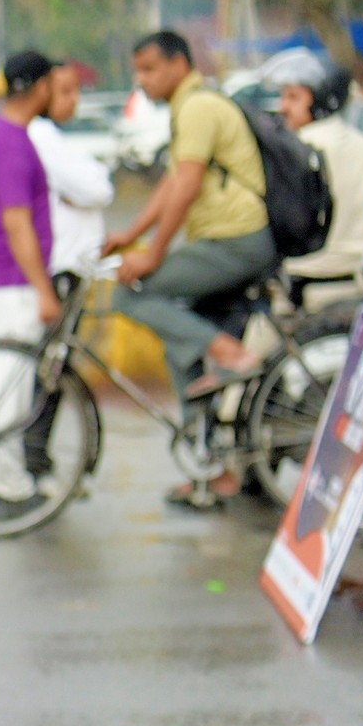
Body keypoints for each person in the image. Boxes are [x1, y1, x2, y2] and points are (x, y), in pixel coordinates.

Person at [108, 30, 279, 503]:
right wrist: (132, 234)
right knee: (181, 347)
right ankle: (214, 467)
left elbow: (186, 187)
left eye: (149, 69)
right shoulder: (189, 107)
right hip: (223, 240)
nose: (143, 80)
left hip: (238, 239)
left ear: (179, 64)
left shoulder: (198, 107)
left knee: (132, 293)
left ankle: (229, 353)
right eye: (138, 71)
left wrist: (152, 254)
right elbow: (171, 182)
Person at [0, 53, 66, 525]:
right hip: (10, 282)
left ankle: (9, 480)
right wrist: (44, 289)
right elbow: (17, 223)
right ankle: (8, 488)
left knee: (3, 382)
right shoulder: (11, 144)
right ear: (41, 87)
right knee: (9, 388)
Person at [279, 57, 363, 308]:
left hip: (307, 290)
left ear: (320, 100)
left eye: (293, 97)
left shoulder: (294, 150)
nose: (283, 106)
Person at [25, 63, 114, 281]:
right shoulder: (41, 136)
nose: (75, 99)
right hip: (62, 264)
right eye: (65, 91)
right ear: (42, 92)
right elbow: (99, 191)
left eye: (77, 90)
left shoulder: (51, 135)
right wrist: (96, 175)